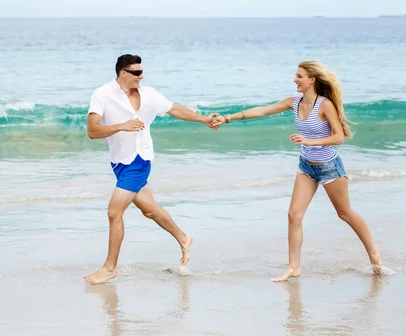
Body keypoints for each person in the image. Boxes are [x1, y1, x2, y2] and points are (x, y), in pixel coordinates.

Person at [212, 60, 382, 282]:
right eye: (296, 75)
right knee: (293, 215)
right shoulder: (294, 102)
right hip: (306, 167)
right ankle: (294, 267)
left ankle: (374, 253)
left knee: (344, 213)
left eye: (299, 76)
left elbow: (338, 137)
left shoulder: (325, 105)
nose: (295, 79)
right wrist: (227, 118)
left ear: (312, 79)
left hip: (329, 167)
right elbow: (263, 110)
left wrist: (310, 141)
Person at [84, 54, 217, 285]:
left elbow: (175, 109)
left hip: (140, 160)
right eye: (136, 73)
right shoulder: (102, 94)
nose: (141, 76)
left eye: (141, 72)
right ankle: (184, 238)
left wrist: (204, 119)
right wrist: (121, 126)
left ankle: (109, 267)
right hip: (119, 162)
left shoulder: (149, 94)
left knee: (114, 212)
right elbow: (93, 131)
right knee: (150, 211)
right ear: (122, 73)